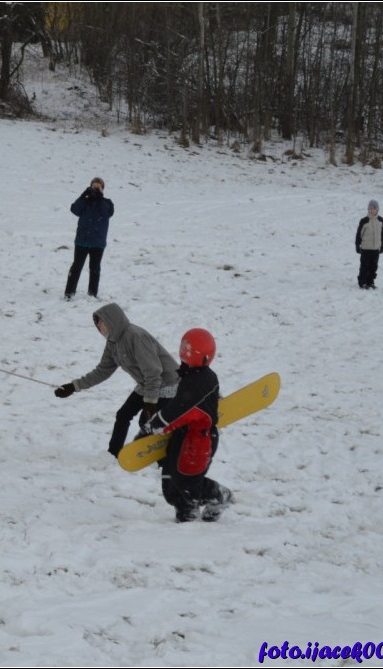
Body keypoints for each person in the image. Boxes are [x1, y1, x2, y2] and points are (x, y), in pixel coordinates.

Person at [54, 302, 180, 458]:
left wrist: (150, 402)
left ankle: (166, 454)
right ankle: (113, 454)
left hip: (166, 384)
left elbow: (153, 371)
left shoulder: (136, 336)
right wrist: (74, 386)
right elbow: (102, 371)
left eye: (101, 323)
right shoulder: (112, 343)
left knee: (148, 422)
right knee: (123, 415)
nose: (99, 327)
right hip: (146, 384)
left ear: (111, 320)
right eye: (97, 324)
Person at [138, 328, 232, 523]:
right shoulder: (191, 373)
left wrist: (151, 427)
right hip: (182, 435)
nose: (184, 352)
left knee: (186, 483)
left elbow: (178, 411)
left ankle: (218, 496)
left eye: (188, 349)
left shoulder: (199, 381)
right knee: (170, 485)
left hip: (198, 441)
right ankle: (187, 514)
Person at [64, 177, 114, 300]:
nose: (96, 189)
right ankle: (69, 293)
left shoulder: (107, 202)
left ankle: (92, 294)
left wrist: (100, 198)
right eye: (94, 187)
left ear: (103, 189)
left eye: (98, 187)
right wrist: (83, 196)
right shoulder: (85, 202)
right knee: (76, 267)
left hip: (98, 243)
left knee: (95, 269)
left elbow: (107, 213)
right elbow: (74, 209)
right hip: (82, 241)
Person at [355, 200, 383, 289]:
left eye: (373, 209)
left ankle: (370, 282)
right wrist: (357, 245)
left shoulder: (380, 220)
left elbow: (382, 233)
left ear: (377, 210)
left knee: (373, 267)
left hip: (376, 249)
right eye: (369, 208)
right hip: (365, 249)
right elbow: (359, 234)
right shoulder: (364, 221)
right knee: (364, 267)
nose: (371, 210)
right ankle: (362, 282)